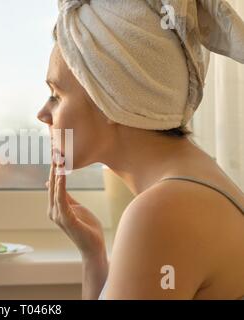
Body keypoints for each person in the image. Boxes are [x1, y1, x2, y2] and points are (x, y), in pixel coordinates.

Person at [37, 0, 244, 299]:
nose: (42, 113)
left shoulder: (163, 212)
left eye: (56, 95)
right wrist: (93, 258)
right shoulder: (192, 186)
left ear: (110, 97)